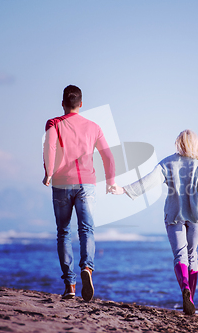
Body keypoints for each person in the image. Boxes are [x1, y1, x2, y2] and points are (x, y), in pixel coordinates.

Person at [110, 129, 198, 315]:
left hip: (174, 214)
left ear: (179, 143)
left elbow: (148, 181)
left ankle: (184, 287)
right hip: (197, 215)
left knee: (180, 255)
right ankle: (190, 298)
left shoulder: (167, 163)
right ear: (196, 145)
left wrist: (125, 190)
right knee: (192, 255)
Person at [43, 85, 115, 301]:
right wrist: (110, 181)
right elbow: (108, 157)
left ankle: (70, 285)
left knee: (64, 232)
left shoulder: (54, 123)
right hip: (86, 184)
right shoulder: (94, 127)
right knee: (86, 229)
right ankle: (88, 268)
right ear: (81, 104)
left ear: (63, 103)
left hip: (61, 183)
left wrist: (48, 173)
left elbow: (50, 148)